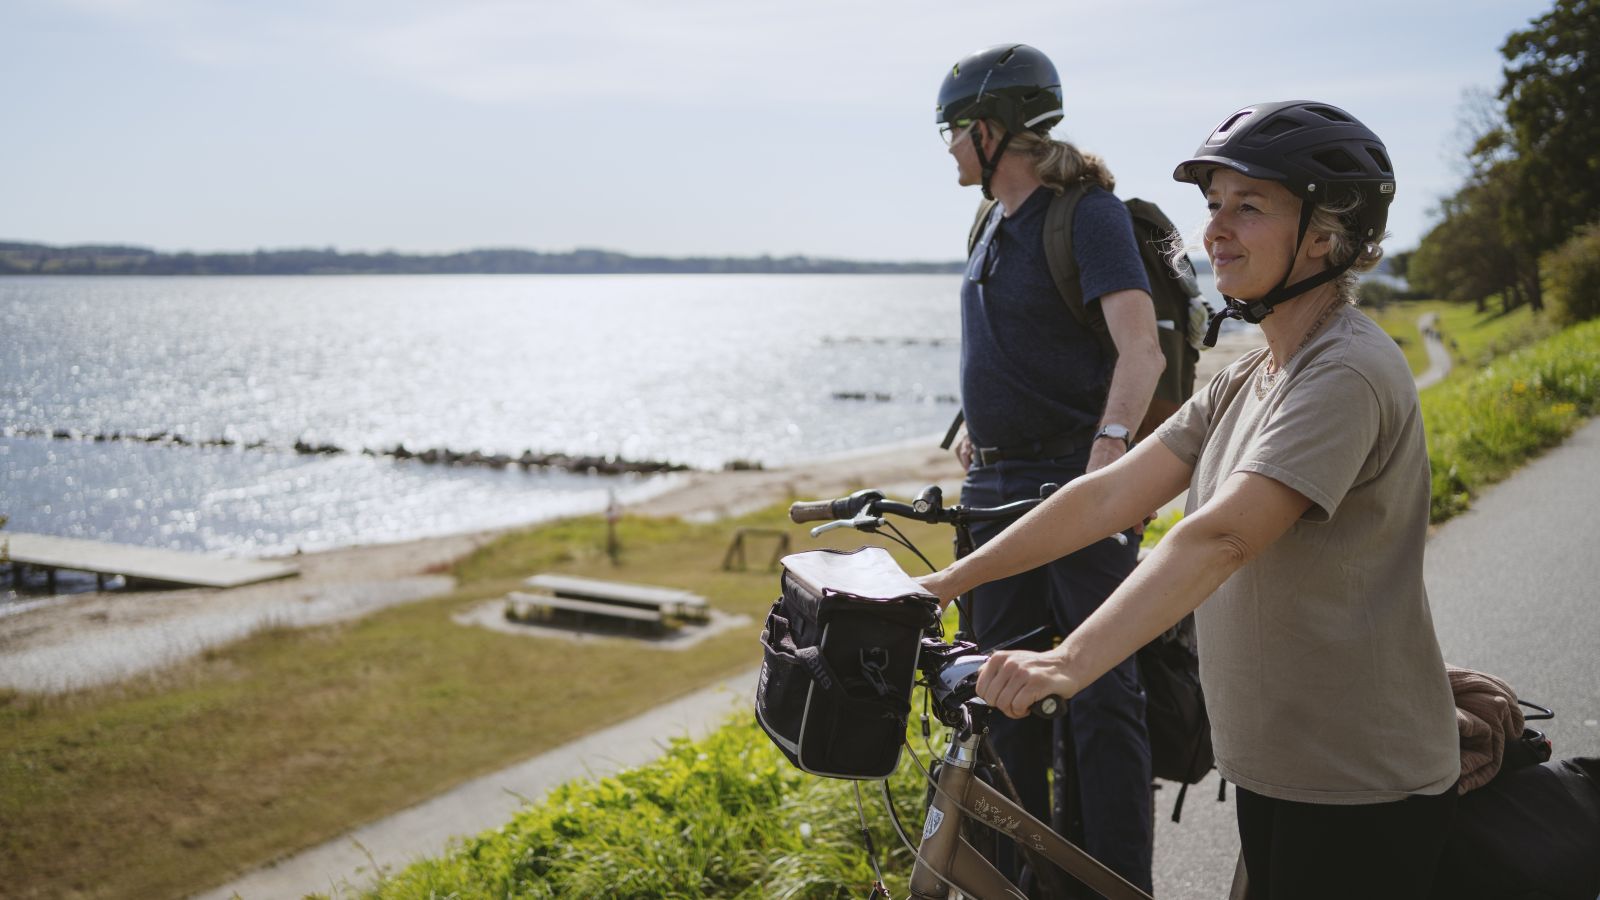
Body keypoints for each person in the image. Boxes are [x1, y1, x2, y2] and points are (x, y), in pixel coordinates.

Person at [919, 100, 1462, 899]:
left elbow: (1220, 538)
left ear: (1327, 233)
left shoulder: (1342, 373)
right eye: (1214, 206)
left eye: (1250, 207)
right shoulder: (1251, 375)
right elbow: (1105, 496)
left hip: (1358, 784)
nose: (1214, 232)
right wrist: (940, 586)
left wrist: (1067, 661)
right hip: (1277, 768)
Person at [934, 43, 1166, 891]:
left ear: (994, 131)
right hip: (993, 488)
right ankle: (1024, 876)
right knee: (999, 695)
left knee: (1102, 693)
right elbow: (1017, 340)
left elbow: (1138, 350)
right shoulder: (987, 220)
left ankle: (1115, 882)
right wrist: (973, 424)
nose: (950, 146)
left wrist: (1106, 464)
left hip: (1074, 483)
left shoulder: (1086, 214)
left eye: (957, 130)